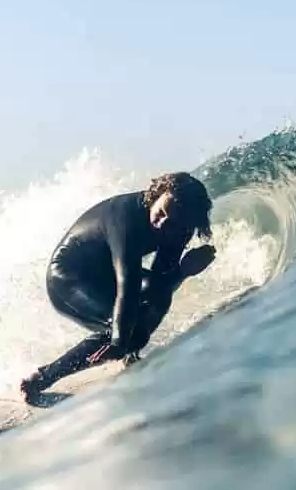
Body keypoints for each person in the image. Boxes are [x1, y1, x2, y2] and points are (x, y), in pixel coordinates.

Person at [19, 172, 219, 404]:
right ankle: (43, 377)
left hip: (107, 273)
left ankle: (128, 353)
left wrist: (183, 270)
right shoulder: (127, 220)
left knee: (153, 305)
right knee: (122, 333)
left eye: (173, 222)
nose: (163, 223)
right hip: (68, 277)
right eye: (161, 212)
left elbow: (160, 283)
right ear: (155, 196)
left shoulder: (179, 229)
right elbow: (129, 286)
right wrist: (118, 342)